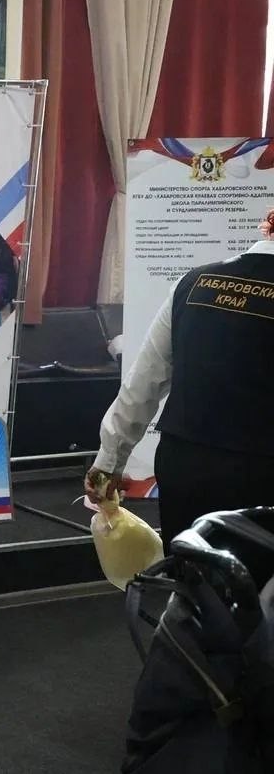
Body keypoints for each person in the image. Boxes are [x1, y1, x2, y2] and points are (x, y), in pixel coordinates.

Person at [85, 209, 274, 542]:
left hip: (184, 465)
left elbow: (142, 382)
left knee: (188, 567)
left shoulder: (194, 282)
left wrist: (107, 465)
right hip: (260, 474)